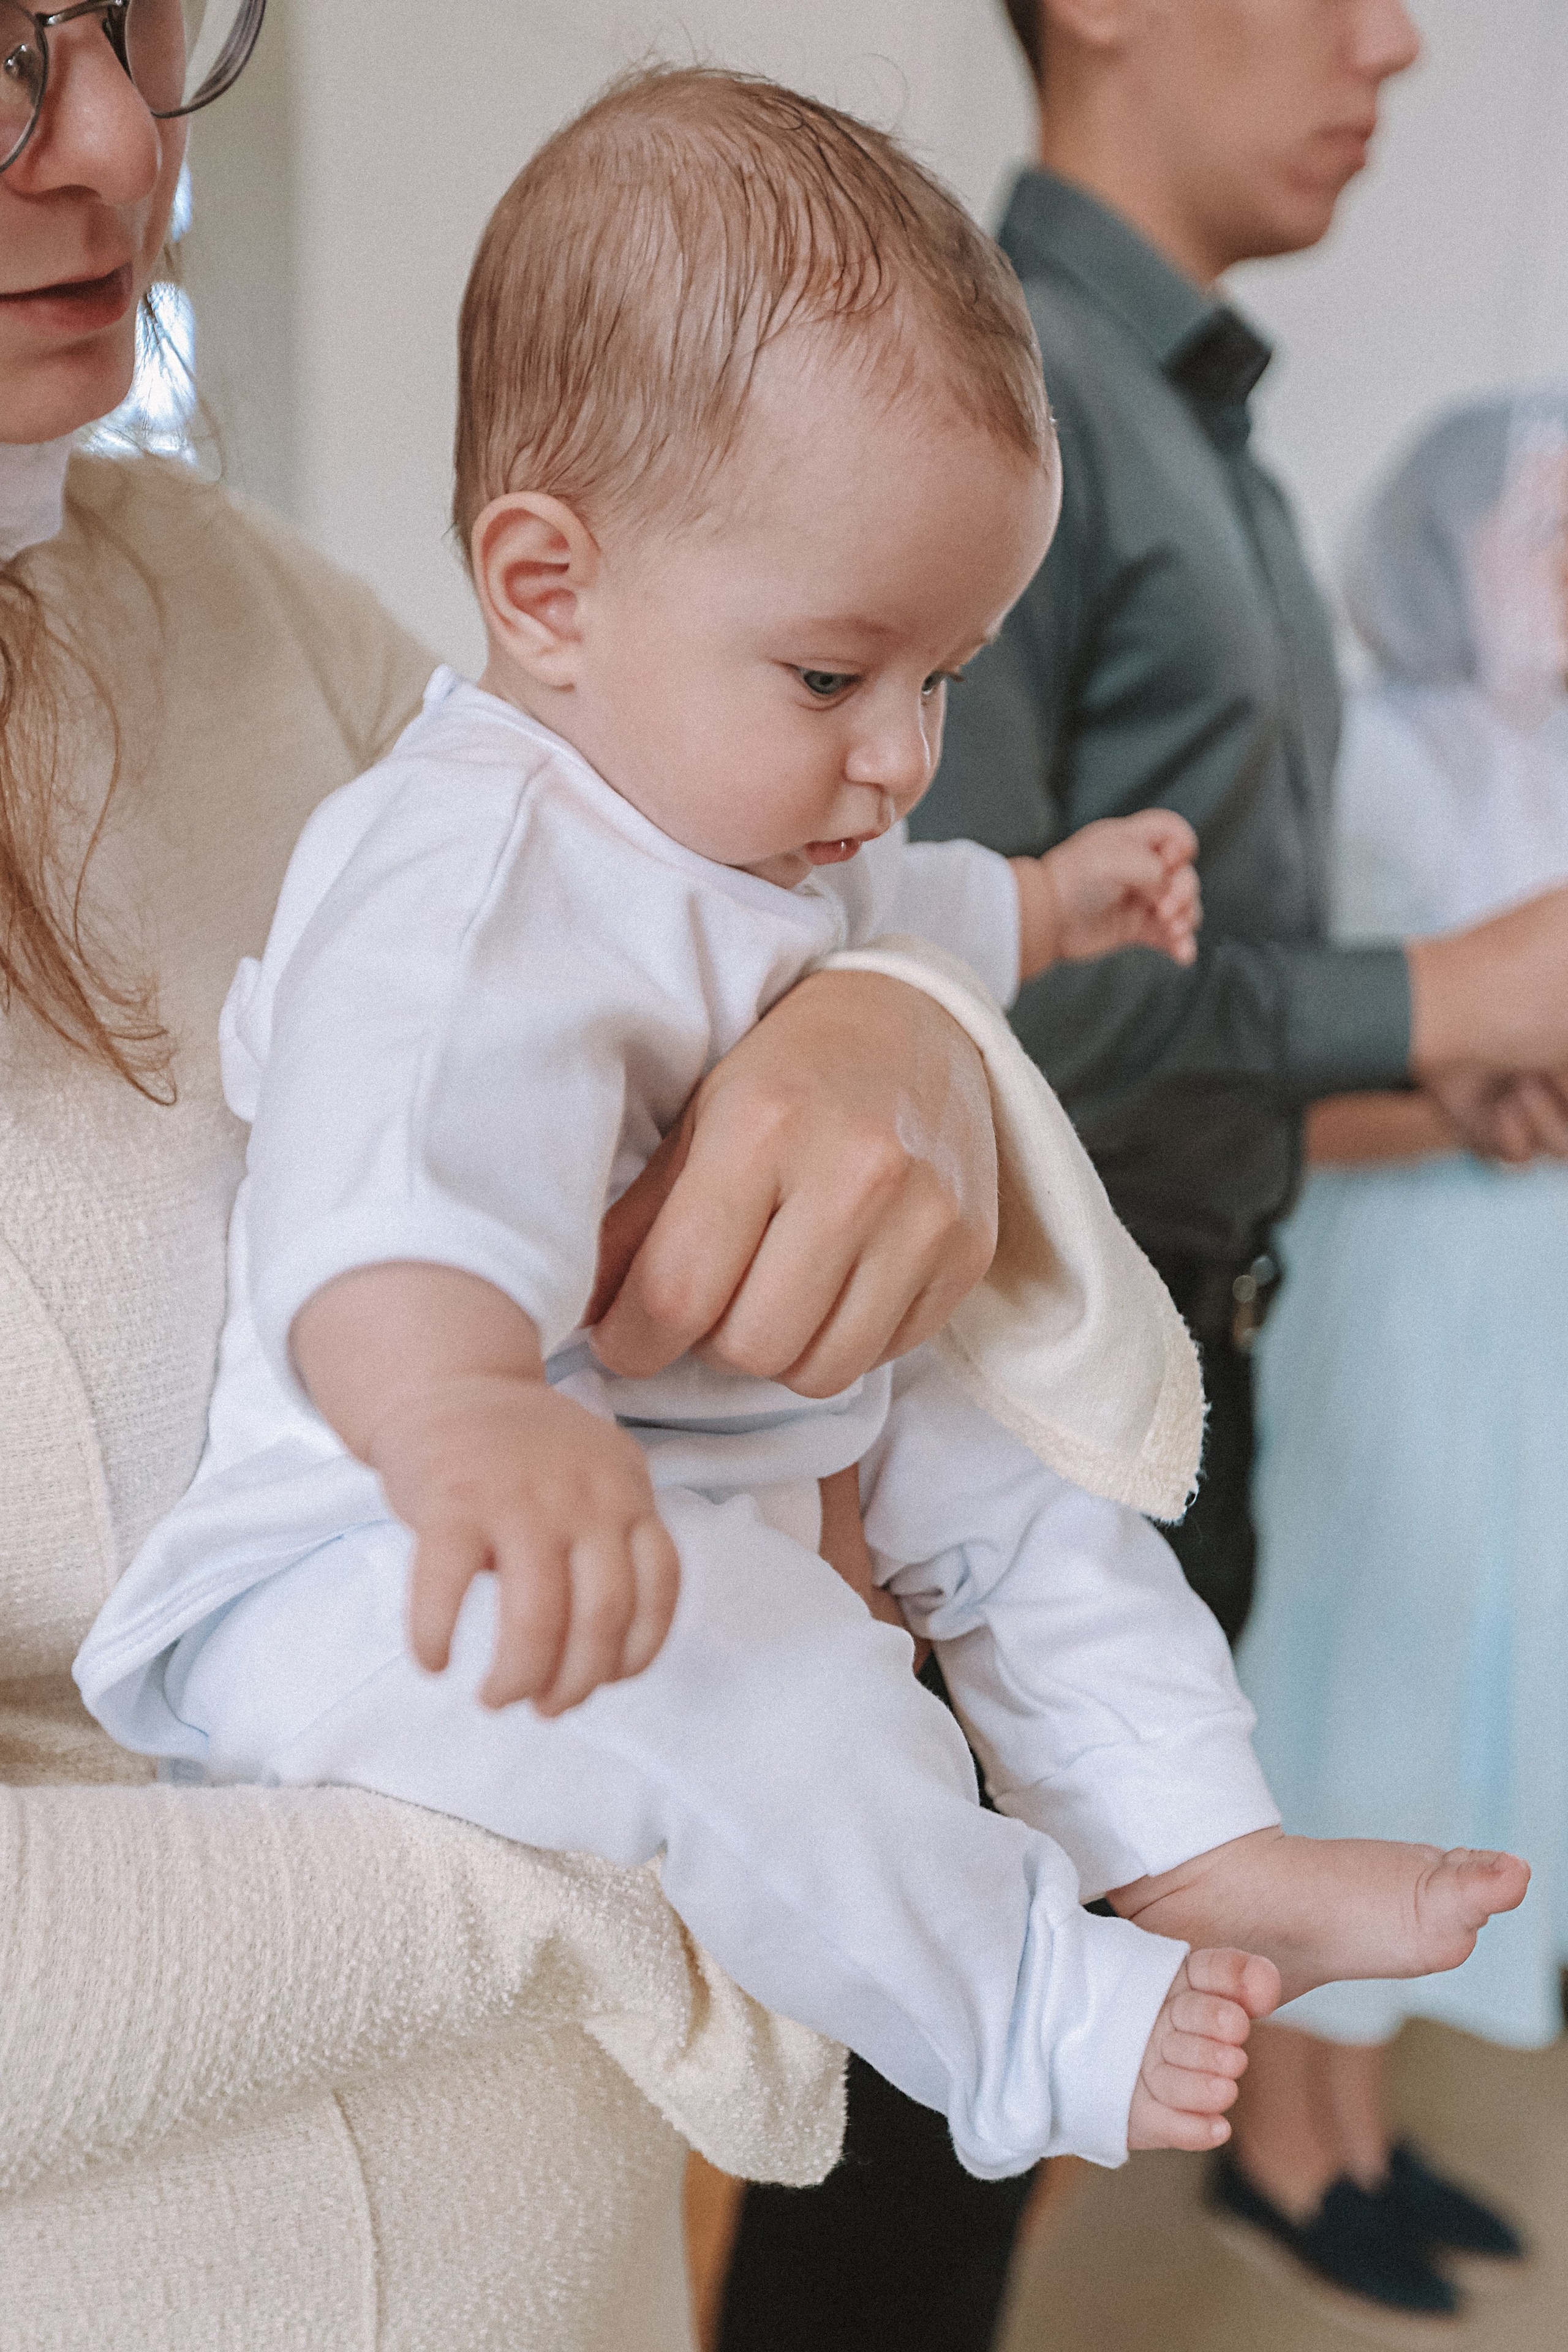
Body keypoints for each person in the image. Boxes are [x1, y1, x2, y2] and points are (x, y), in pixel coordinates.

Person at [77, 64, 1529, 2192]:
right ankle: (1035, 2015)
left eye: (944, 681)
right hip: (401, 1557)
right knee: (774, 1695)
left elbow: (918, 905)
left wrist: (1060, 899)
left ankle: (1198, 1840)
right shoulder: (473, 870)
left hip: (690, 1447)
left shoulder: (745, 821)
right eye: (841, 680)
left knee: (1032, 1479)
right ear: (546, 589)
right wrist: (472, 1416)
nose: (901, 759)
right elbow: (375, 1195)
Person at [0, 10, 1033, 2342]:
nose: (107, 142)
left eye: (143, 24)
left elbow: (689, 897)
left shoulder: (236, 610)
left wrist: (900, 1027)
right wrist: (659, 1830)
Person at [742, 2, 1568, 2346]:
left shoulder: (1197, 428)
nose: (1395, 38)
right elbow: (940, 1001)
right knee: (910, 2134)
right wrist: (1449, 998)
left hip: (1189, 1355)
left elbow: (1168, 1002)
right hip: (1008, 1424)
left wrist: (1432, 1081)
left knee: (1005, 2111)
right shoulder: (990, 403)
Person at [1221, 394, 1568, 2318]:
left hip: (1526, 1314)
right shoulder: (1366, 769)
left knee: (1469, 1703)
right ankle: (1284, 2149)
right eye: (1550, 531)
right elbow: (1281, 1089)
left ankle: (1365, 2121)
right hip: (1384, 1300)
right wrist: (1480, 1110)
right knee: (1350, 1701)